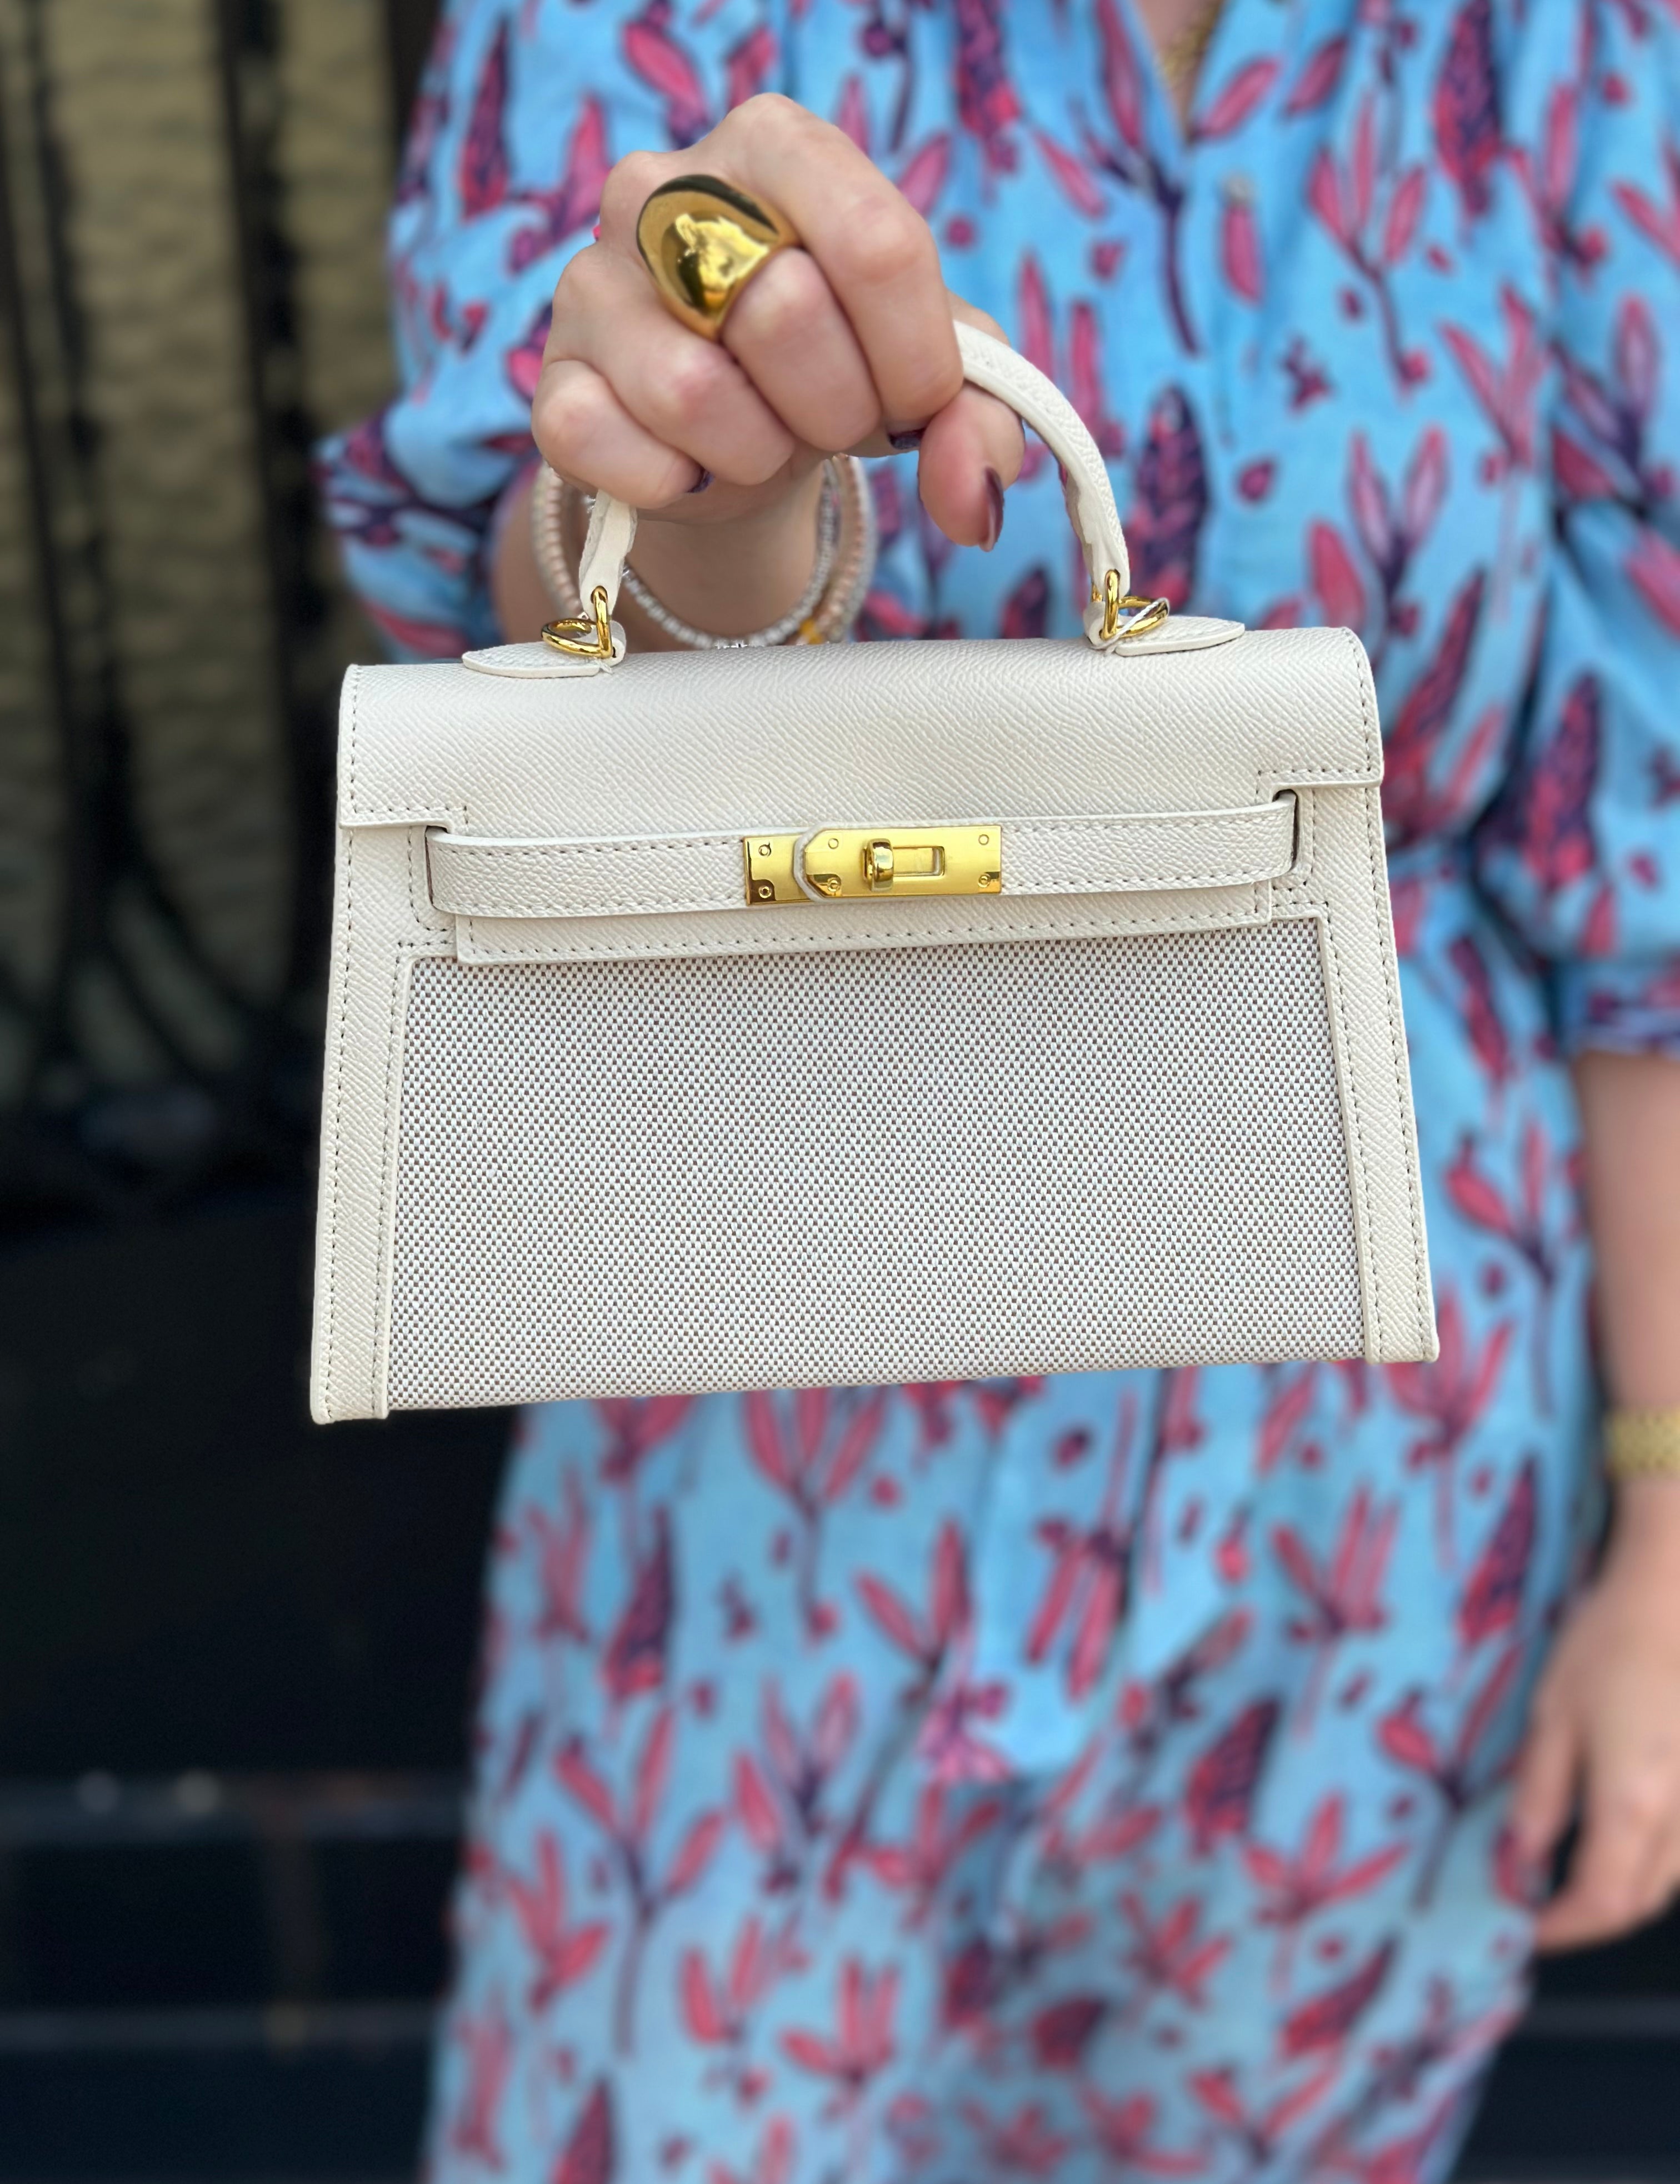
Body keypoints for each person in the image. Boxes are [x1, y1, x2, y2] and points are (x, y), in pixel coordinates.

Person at [318, 1, 1680, 2176]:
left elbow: (1640, 840)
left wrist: (1670, 1510)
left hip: (1384, 1473)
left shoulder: (1575, 40)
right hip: (767, 1438)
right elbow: (545, 611)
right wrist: (700, 483)